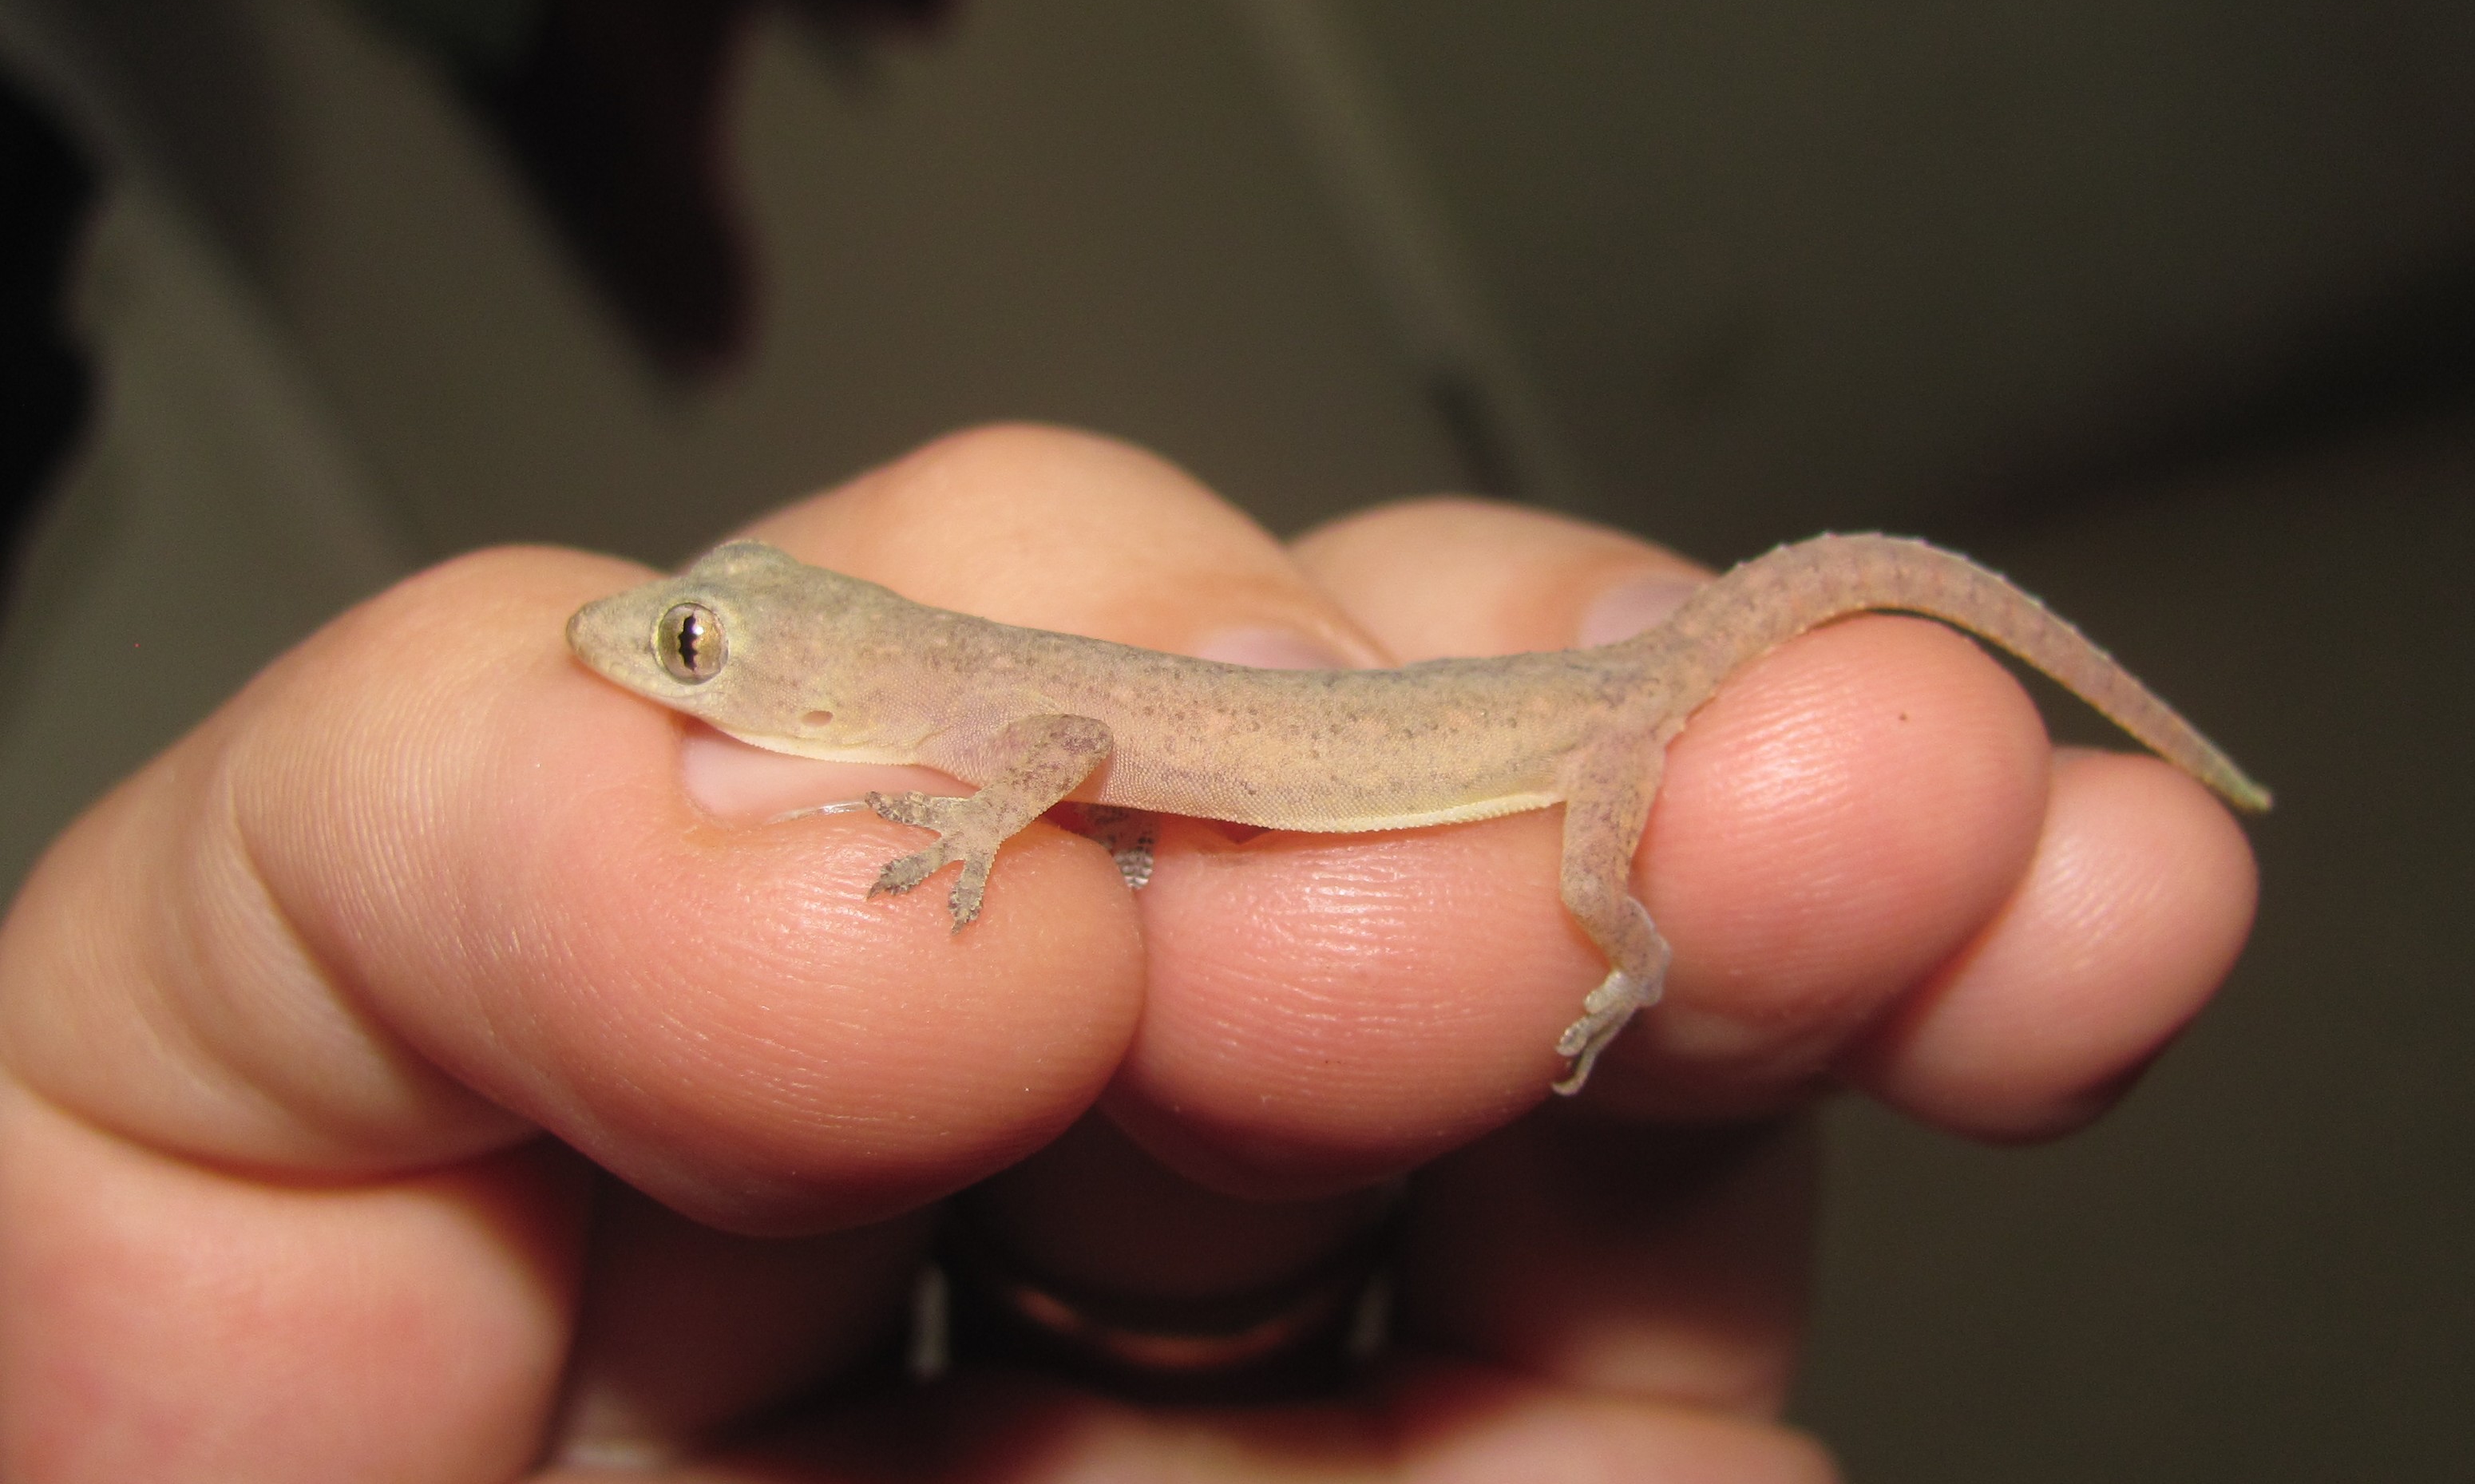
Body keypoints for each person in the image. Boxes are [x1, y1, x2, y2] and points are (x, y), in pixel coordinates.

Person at [0, 422, 2259, 1478]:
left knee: (1610, 915)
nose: (649, 660)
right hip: (1496, 722)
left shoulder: (989, 713)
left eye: (695, 644)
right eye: (695, 635)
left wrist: (988, 824)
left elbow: (1075, 738)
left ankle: (1630, 961)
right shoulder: (936, 691)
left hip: (1570, 725)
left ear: (819, 671)